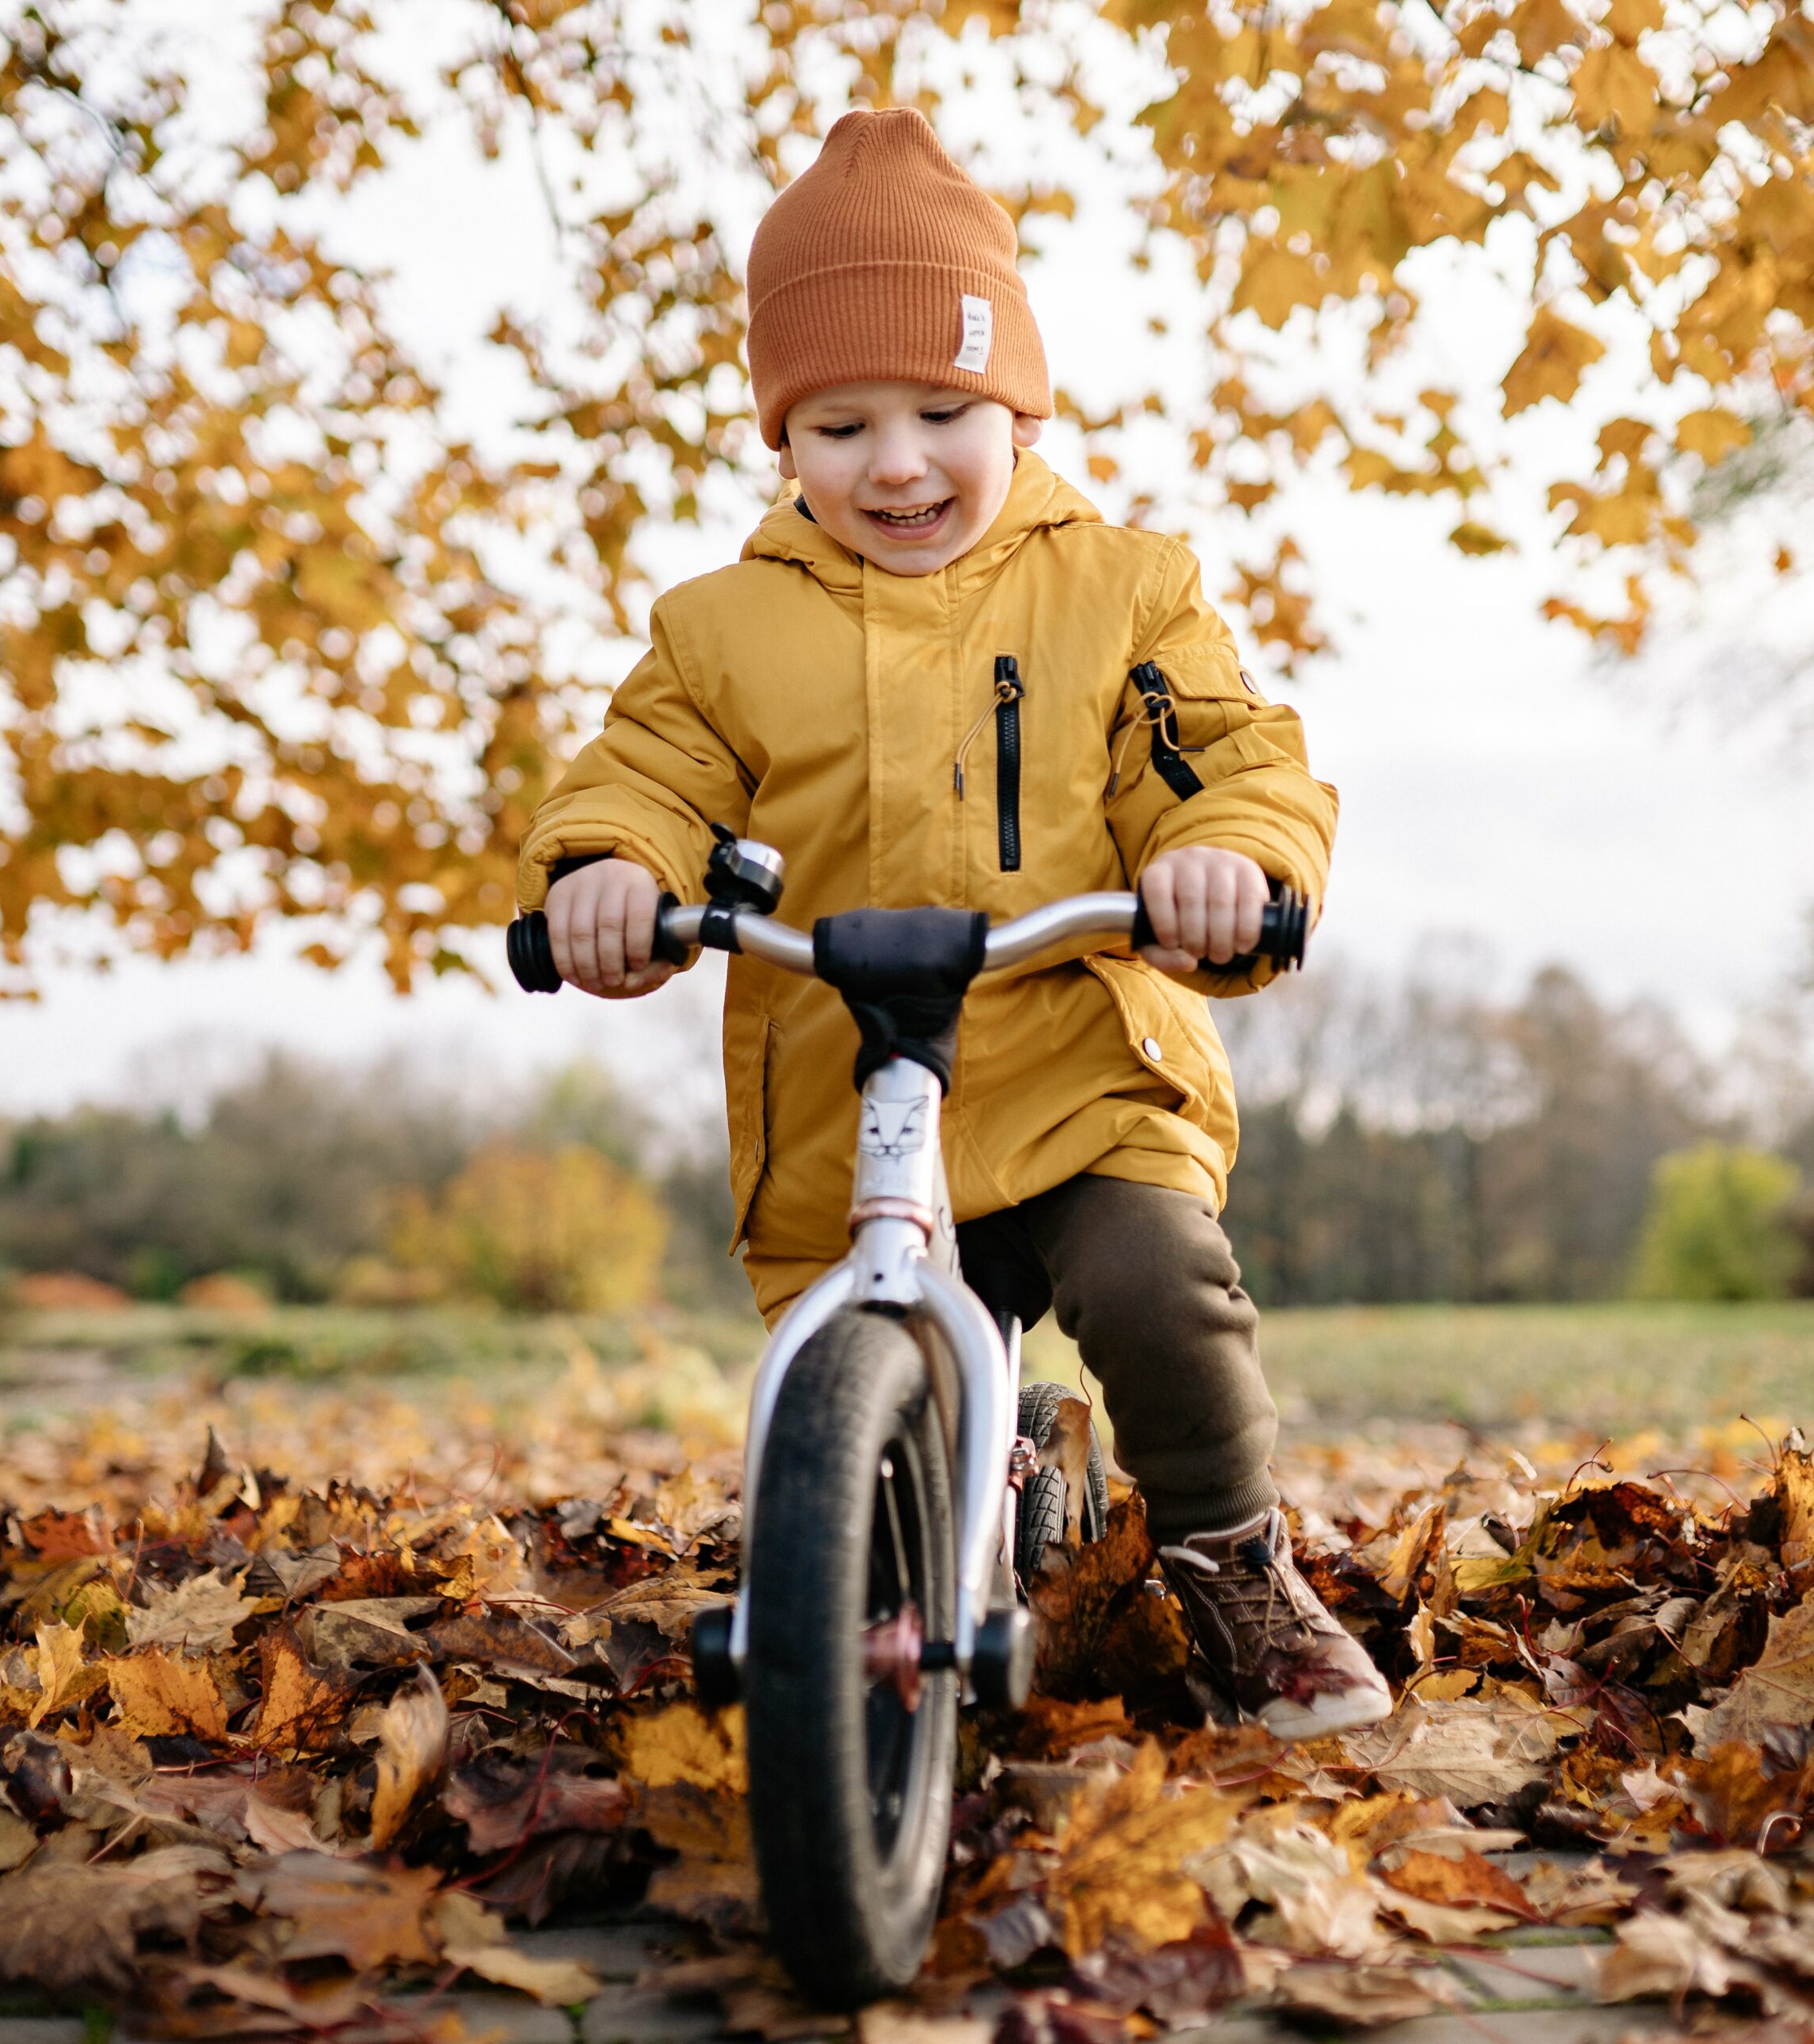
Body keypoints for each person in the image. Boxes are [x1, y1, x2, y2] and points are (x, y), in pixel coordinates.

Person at [516, 108, 1388, 1741]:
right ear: (784, 438)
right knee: (879, 1405)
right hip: (860, 1100)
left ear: (1017, 401)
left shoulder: (1125, 590)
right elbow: (645, 772)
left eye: (941, 410)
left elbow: (1230, 759)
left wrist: (1221, 859)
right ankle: (927, 1561)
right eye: (841, 423)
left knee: (1154, 1283)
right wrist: (604, 872)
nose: (898, 461)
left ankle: (1232, 1564)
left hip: (1075, 1060)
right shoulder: (724, 632)